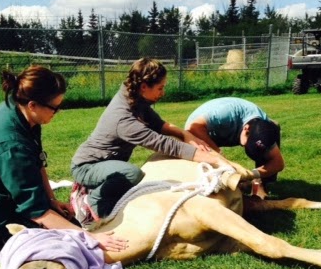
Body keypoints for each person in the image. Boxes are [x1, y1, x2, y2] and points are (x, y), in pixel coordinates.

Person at [0, 66, 127, 265]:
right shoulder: (12, 146)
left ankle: (2, 236)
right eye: (54, 107)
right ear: (33, 105)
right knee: (59, 238)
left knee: (67, 223)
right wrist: (89, 237)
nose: (57, 112)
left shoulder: (21, 113)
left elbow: (38, 162)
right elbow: (36, 211)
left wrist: (52, 201)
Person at [70, 57, 227, 227]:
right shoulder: (123, 119)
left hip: (105, 163)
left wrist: (185, 134)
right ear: (144, 86)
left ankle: (97, 189)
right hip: (87, 166)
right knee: (131, 173)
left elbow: (159, 124)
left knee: (126, 177)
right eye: (160, 88)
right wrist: (214, 159)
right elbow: (164, 143)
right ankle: (90, 201)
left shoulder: (134, 97)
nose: (163, 93)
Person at [184, 97, 285, 197]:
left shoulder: (265, 129)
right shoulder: (224, 114)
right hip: (201, 129)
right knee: (214, 161)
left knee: (274, 127)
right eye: (248, 143)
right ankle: (215, 187)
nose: (245, 146)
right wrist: (219, 155)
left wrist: (251, 174)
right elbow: (193, 127)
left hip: (229, 129)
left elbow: (278, 163)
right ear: (246, 129)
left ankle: (259, 185)